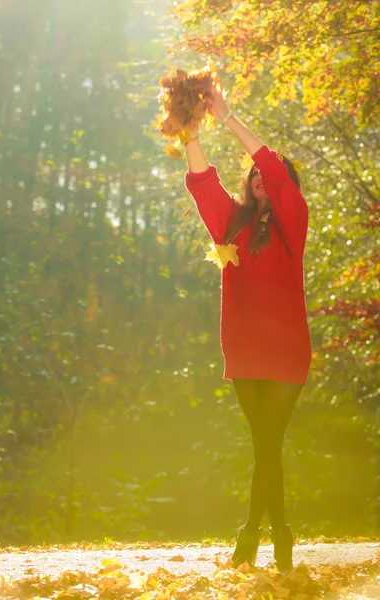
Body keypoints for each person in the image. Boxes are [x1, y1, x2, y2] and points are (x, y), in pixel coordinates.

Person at [183, 79, 312, 572]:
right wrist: (189, 131)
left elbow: (276, 171)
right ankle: (277, 534)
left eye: (268, 172)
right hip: (245, 353)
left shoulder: (292, 221)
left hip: (285, 354)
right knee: (266, 446)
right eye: (253, 172)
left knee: (267, 442)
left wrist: (229, 117)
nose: (260, 175)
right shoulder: (232, 224)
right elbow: (203, 187)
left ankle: (255, 535)